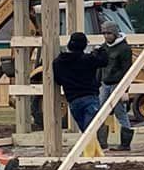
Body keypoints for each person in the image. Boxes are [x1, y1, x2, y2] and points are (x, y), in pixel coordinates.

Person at [94, 18, 136, 152]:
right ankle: (102, 143)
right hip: (105, 84)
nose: (106, 36)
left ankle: (125, 144)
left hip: (117, 84)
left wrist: (125, 90)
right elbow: (100, 68)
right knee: (100, 111)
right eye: (104, 33)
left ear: (115, 33)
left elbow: (127, 70)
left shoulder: (124, 49)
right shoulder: (103, 47)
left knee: (120, 112)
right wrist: (97, 83)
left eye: (109, 33)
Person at [52, 30, 102, 139]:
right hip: (90, 98)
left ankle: (94, 147)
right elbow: (104, 61)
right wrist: (99, 51)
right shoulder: (88, 59)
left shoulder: (59, 62)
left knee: (86, 133)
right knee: (90, 132)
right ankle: (98, 147)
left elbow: (58, 80)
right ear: (84, 45)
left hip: (73, 100)